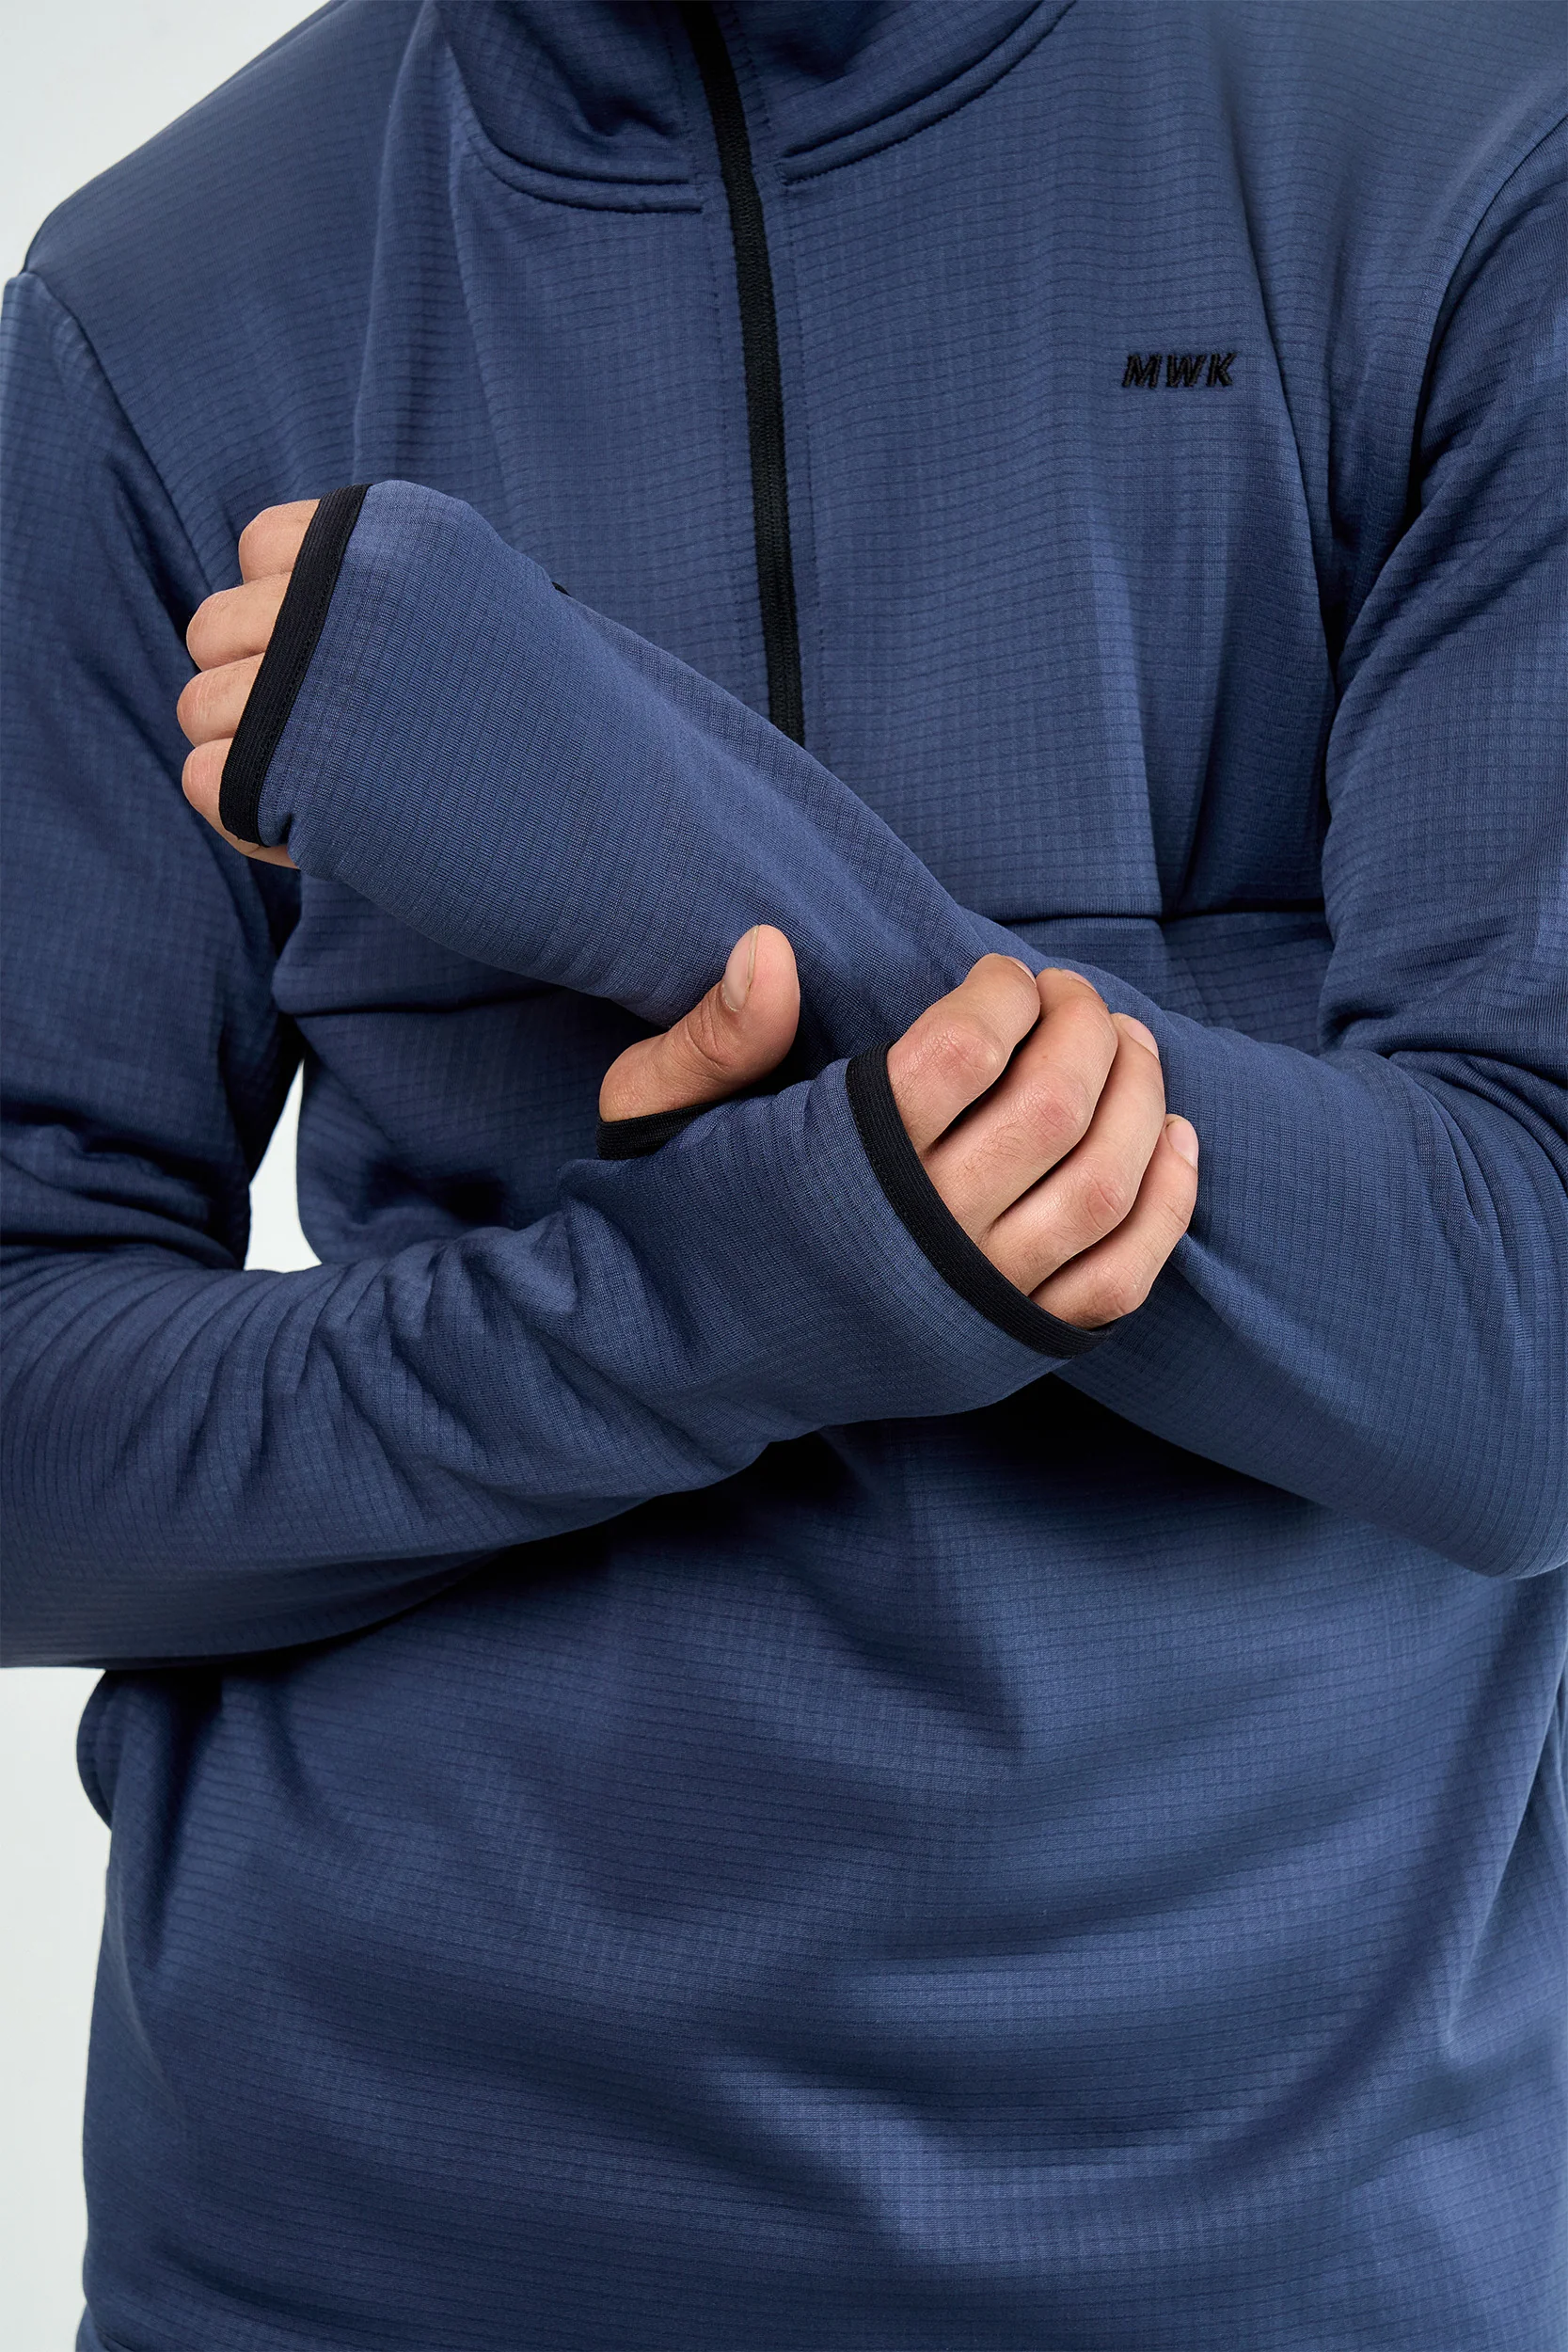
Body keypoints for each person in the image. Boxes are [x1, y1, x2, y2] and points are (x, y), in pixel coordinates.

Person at [2, 1, 1562, 2344]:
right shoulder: (155, 305)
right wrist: (706, 1301)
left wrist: (655, 831)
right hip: (352, 2252)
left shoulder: (1469, 148)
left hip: (1272, 2259)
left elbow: (1520, 1341)